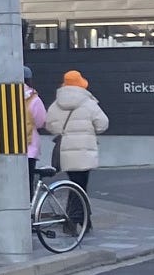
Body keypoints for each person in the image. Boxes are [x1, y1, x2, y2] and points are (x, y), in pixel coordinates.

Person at [46, 70, 109, 227]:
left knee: (73, 183)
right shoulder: (89, 103)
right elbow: (102, 124)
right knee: (80, 186)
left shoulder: (56, 104)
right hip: (85, 151)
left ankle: (85, 221)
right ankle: (74, 220)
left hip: (66, 151)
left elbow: (50, 126)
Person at [23, 66, 48, 195]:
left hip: (7, 146)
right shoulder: (33, 98)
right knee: (28, 181)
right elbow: (41, 121)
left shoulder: (5, 95)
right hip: (29, 146)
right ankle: (28, 210)